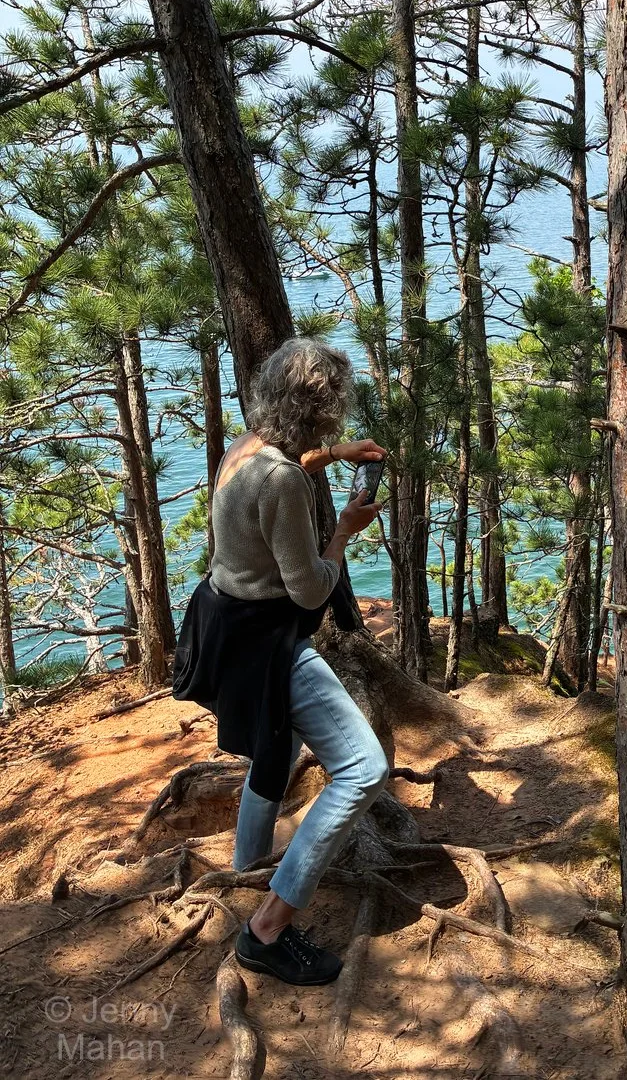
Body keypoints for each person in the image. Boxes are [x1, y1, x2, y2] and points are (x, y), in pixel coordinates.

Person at [174, 336, 388, 987]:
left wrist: (339, 456)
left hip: (221, 619)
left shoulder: (244, 448)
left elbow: (285, 465)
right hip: (267, 639)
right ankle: (266, 929)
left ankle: (246, 861)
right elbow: (310, 588)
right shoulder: (286, 482)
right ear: (320, 408)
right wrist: (345, 531)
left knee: (277, 741)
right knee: (363, 767)